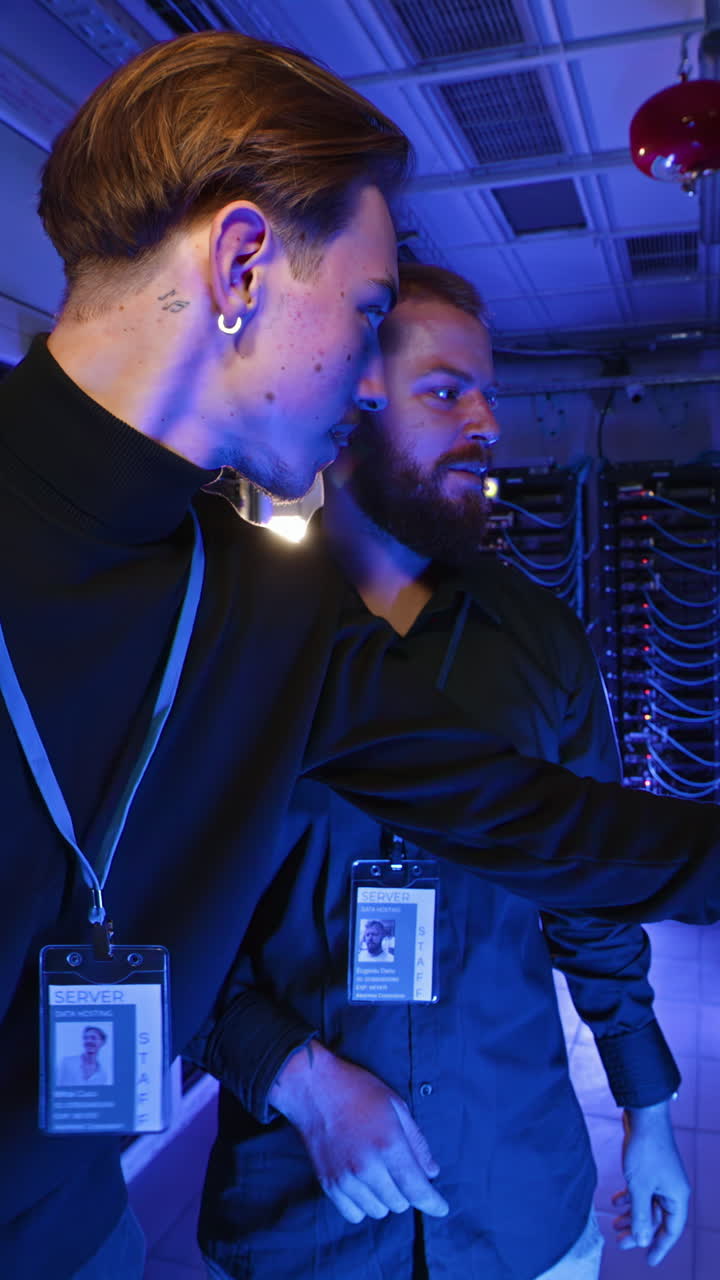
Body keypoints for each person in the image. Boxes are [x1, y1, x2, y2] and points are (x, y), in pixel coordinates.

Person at [1, 26, 720, 1280]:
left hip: (75, 1234)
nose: (371, 380)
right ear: (242, 263)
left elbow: (535, 822)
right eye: (372, 308)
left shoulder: (255, 599)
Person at [193, 264, 690, 1280]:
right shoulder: (224, 643)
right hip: (304, 1216)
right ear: (346, 405)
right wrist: (298, 1076)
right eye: (446, 390)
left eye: (489, 392)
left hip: (519, 1201)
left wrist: (648, 1112)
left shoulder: (544, 643)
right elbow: (159, 918)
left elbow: (588, 897)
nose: (488, 422)